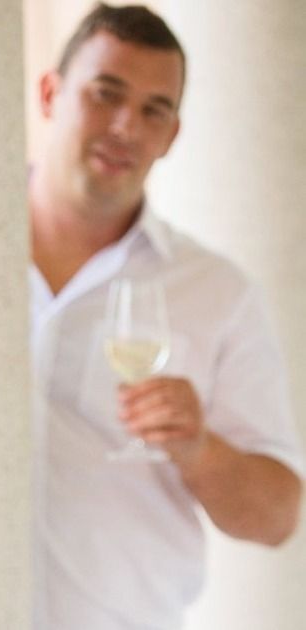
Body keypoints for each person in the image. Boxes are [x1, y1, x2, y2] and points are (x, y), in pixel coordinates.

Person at [29, 4, 303, 629]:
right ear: (51, 93)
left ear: (172, 134)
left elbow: (278, 516)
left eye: (155, 109)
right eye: (106, 93)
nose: (126, 126)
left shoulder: (218, 292)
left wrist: (197, 449)